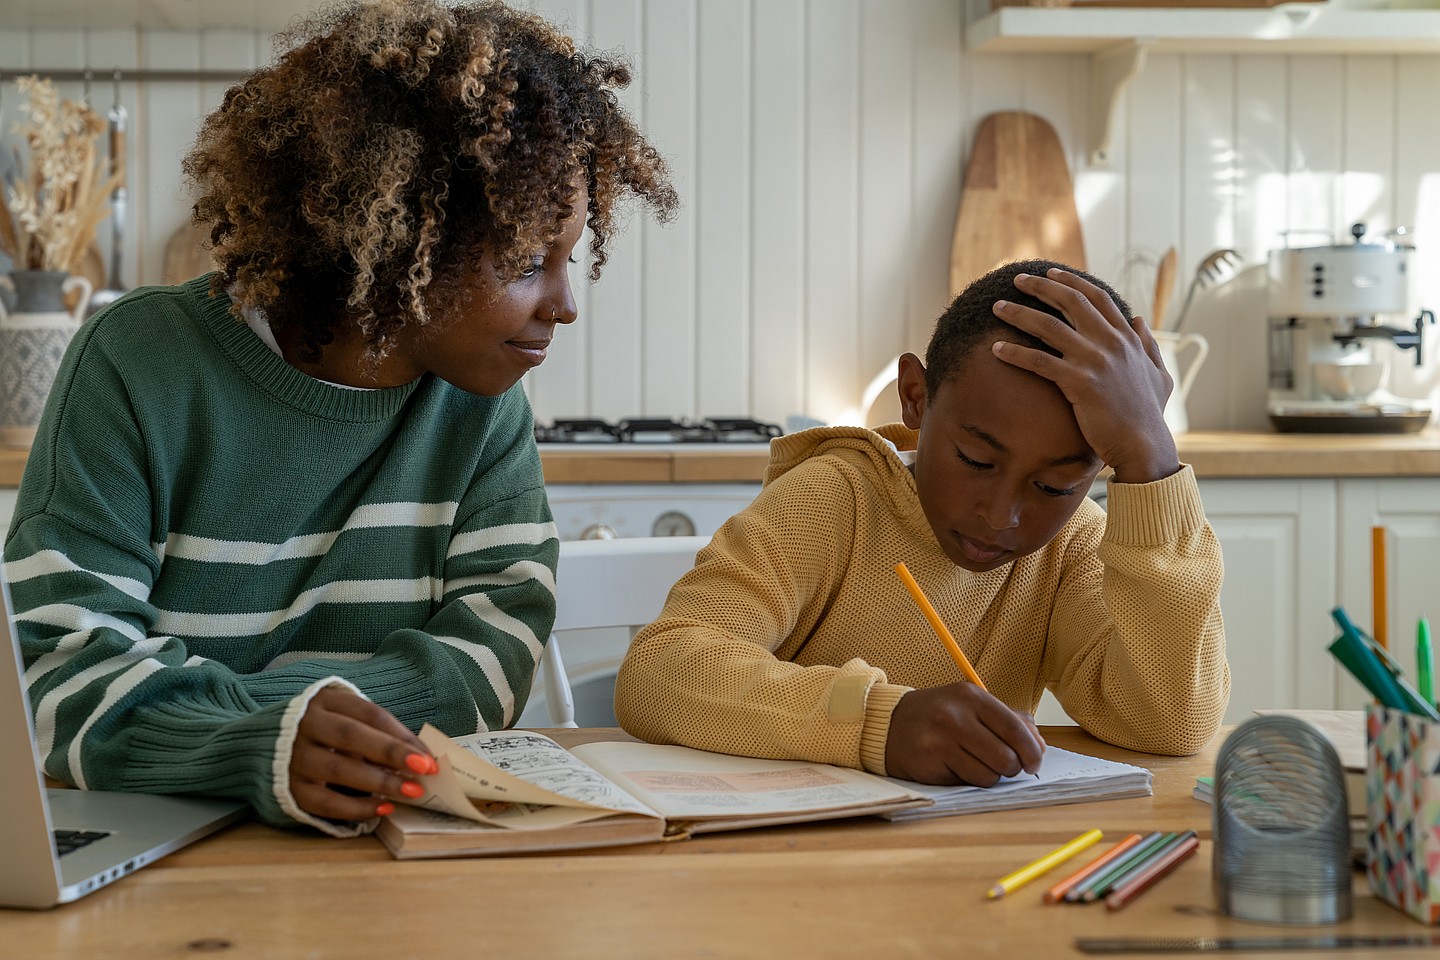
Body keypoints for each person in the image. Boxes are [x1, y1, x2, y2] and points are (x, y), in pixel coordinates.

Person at [6, 0, 677, 836]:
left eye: (567, 259)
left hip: (389, 839)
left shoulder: (484, 408)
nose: (564, 305)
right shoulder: (135, 363)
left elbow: (491, 656)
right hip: (164, 852)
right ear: (393, 243)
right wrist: (256, 742)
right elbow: (59, 676)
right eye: (523, 262)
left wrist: (245, 723)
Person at [613, 260, 1228, 787]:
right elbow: (660, 672)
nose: (1001, 514)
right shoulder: (833, 502)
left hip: (966, 871)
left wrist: (1152, 464)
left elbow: (1167, 724)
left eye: (1054, 486)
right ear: (915, 397)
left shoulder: (1071, 545)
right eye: (976, 460)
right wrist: (880, 724)